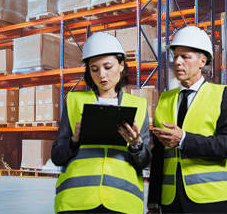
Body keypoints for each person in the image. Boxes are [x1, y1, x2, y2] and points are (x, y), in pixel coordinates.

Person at [51, 32, 152, 214]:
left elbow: (144, 161)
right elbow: (57, 156)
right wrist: (74, 140)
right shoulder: (74, 101)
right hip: (76, 201)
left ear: (121, 65)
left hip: (122, 202)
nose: (102, 75)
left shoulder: (138, 105)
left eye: (107, 67)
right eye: (94, 69)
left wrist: (136, 145)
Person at [147, 26, 227, 213]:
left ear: (202, 61)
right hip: (170, 201)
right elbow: (159, 156)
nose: (178, 62)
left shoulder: (222, 95)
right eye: (175, 56)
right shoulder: (165, 99)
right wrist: (153, 203)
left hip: (211, 200)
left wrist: (183, 139)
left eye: (185, 57)